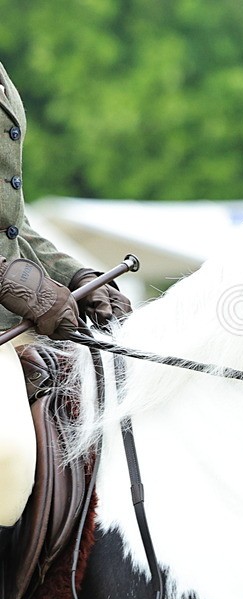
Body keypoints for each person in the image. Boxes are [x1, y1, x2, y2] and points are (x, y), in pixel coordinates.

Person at [0, 60, 130, 538]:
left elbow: (13, 225)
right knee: (7, 455)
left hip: (11, 322)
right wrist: (23, 288)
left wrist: (75, 277)